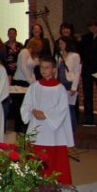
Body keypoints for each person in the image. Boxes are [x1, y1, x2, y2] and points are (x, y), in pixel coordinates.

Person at [20, 56, 74, 185]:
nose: (43, 70)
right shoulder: (34, 86)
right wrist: (32, 110)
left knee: (54, 159)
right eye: (41, 67)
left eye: (47, 68)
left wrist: (45, 115)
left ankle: (55, 184)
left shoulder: (60, 88)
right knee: (35, 156)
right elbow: (27, 104)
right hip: (37, 126)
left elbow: (62, 108)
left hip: (53, 130)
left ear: (54, 69)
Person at [12, 38, 42, 133]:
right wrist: (30, 81)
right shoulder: (24, 52)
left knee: (27, 104)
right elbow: (23, 67)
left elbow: (32, 69)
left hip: (28, 81)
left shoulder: (32, 55)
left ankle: (25, 125)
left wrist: (34, 82)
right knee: (19, 105)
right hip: (20, 81)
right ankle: (18, 127)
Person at [55, 36, 81, 133]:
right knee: (61, 107)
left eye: (62, 43)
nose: (60, 45)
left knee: (69, 108)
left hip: (69, 84)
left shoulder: (75, 56)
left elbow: (77, 72)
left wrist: (74, 87)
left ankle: (72, 130)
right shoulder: (58, 56)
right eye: (59, 43)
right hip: (60, 84)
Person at [79, 17, 97, 126]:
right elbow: (81, 53)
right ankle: (88, 118)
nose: (92, 30)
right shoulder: (86, 38)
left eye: (94, 27)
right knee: (87, 95)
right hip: (87, 70)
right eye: (90, 28)